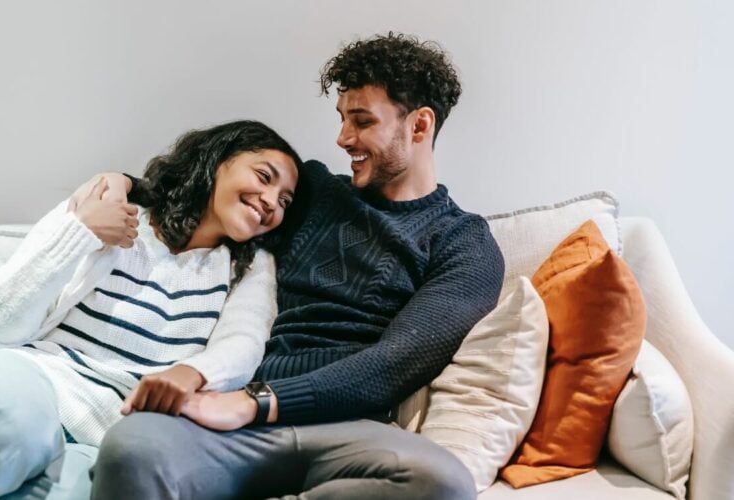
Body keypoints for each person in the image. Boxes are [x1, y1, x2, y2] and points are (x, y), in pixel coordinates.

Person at [88, 33, 505, 499]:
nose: (343, 138)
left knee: (442, 482)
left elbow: (396, 364)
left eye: (362, 121)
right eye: (343, 119)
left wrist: (259, 403)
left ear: (419, 126)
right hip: (232, 416)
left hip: (348, 428)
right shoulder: (314, 192)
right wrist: (122, 183)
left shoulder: (464, 242)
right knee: (131, 447)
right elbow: (211, 188)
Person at [0, 120, 301, 499]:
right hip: (29, 379)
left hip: (101, 431)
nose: (271, 201)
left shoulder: (250, 267)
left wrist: (192, 372)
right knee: (13, 430)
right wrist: (80, 231)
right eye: (263, 176)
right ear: (217, 160)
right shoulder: (112, 207)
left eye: (285, 200)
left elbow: (244, 340)